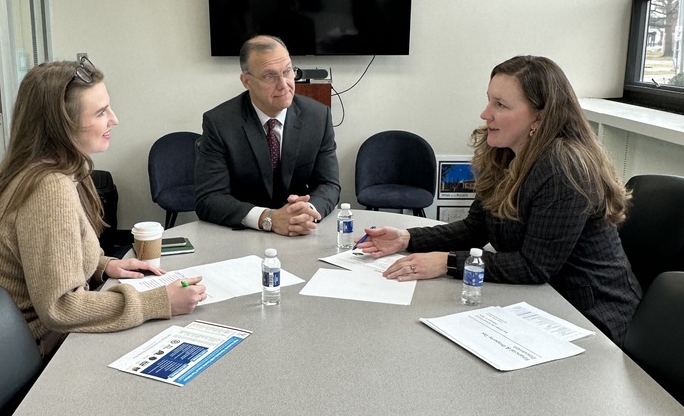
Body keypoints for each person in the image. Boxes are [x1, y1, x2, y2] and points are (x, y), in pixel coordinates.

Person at [358, 55, 642, 347]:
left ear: (539, 118)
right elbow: (474, 229)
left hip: (589, 313)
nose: (485, 114)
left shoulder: (563, 167)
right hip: (542, 302)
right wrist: (406, 238)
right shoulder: (504, 153)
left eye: (500, 105)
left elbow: (534, 266)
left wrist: (448, 263)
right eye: (489, 100)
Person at [0, 57, 206, 357]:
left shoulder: (46, 169)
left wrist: (104, 265)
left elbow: (51, 260)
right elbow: (60, 306)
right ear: (62, 125)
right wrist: (159, 302)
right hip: (32, 353)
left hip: (30, 339)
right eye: (101, 112)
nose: (114, 119)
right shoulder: (47, 187)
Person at [195, 35, 340, 236]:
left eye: (288, 71)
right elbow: (209, 199)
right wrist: (268, 218)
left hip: (301, 232)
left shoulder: (318, 116)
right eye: (270, 76)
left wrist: (308, 212)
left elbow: (328, 184)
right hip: (242, 234)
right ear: (246, 81)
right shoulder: (220, 123)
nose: (284, 84)